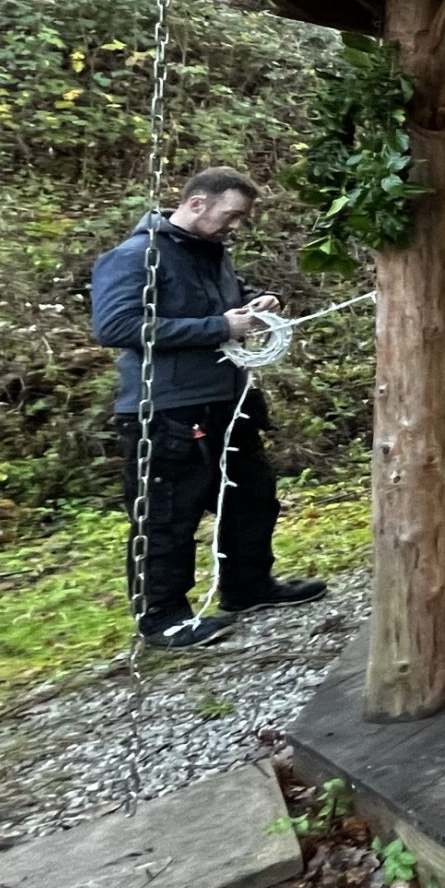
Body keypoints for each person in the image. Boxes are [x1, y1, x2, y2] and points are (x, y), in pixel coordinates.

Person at [90, 167, 327, 648]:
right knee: (167, 516)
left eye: (241, 219)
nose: (235, 226)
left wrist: (255, 303)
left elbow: (221, 302)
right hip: (166, 412)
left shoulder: (211, 252)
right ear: (197, 203)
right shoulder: (134, 256)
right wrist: (219, 327)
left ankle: (248, 588)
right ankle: (163, 618)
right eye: (231, 215)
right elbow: (115, 327)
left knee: (252, 498)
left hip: (229, 401)